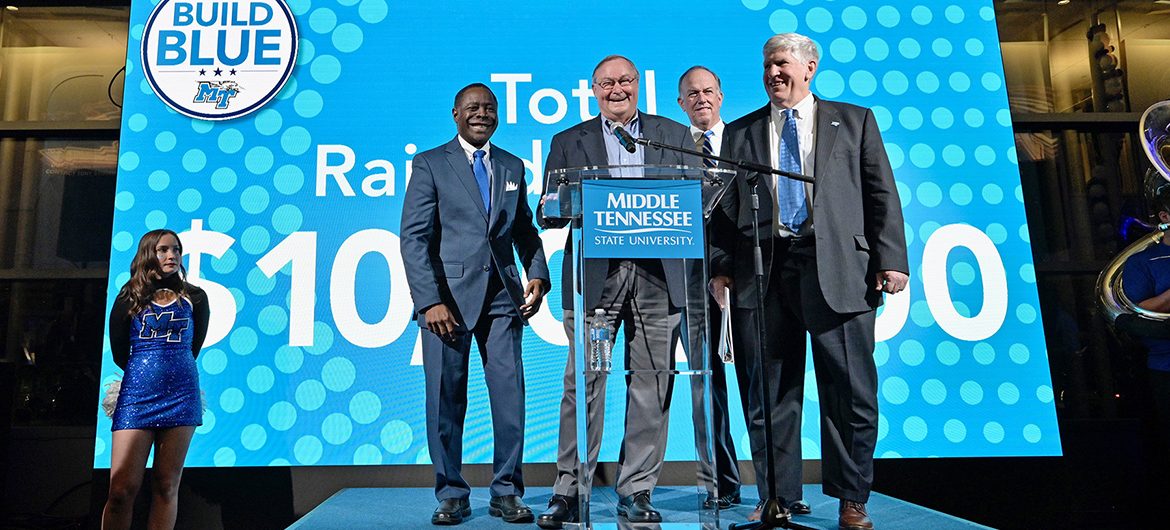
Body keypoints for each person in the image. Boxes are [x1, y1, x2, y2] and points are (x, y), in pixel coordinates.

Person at [709, 33, 909, 530]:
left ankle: (852, 498)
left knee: (850, 391)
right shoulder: (741, 132)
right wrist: (720, 267)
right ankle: (777, 497)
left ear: (809, 67)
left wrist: (892, 260)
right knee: (768, 394)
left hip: (840, 270)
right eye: (767, 65)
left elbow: (881, 193)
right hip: (765, 272)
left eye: (781, 63)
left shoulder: (855, 120)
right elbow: (725, 208)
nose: (772, 73)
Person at [535, 55, 696, 527]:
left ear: (638, 85)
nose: (617, 89)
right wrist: (562, 202)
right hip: (596, 282)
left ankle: (637, 489)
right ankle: (569, 490)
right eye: (607, 83)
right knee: (586, 381)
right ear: (593, 90)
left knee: (652, 381)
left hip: (657, 276)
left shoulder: (672, 135)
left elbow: (699, 196)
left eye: (625, 80)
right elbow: (547, 209)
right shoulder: (568, 141)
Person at [400, 82, 550, 526]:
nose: (481, 114)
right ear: (455, 114)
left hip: (503, 298)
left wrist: (538, 272)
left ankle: (507, 491)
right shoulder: (430, 163)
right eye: (472, 107)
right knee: (445, 402)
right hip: (446, 303)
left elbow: (523, 229)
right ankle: (451, 493)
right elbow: (414, 238)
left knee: (510, 398)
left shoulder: (511, 165)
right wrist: (429, 301)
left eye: (489, 107)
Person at [102, 229, 210, 530]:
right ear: (149, 254)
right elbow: (119, 351)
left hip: (181, 396)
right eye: (163, 250)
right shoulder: (129, 297)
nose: (172, 255)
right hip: (137, 396)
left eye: (176, 249)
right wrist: (145, 375)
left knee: (166, 485)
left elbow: (194, 347)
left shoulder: (196, 298)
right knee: (121, 490)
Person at [675, 65, 743, 510]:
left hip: (747, 279)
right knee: (707, 384)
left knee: (760, 384)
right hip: (689, 282)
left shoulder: (746, 141)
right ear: (681, 103)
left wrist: (729, 268)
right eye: (692, 93)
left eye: (708, 91)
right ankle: (721, 482)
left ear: (720, 96)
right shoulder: (672, 149)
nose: (701, 98)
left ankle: (780, 486)